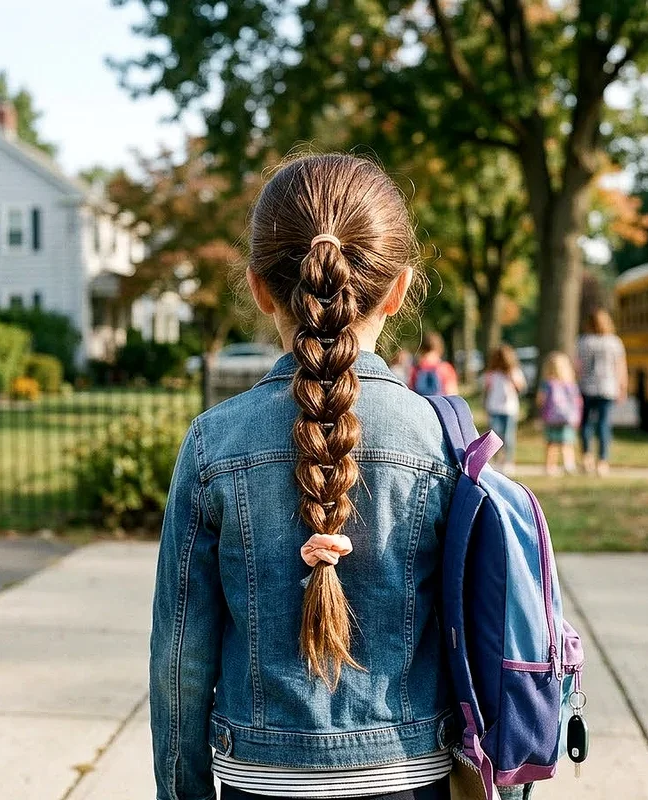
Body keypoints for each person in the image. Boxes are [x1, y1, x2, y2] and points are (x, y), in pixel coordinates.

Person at [150, 154, 533, 800]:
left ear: (259, 287)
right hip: (407, 776)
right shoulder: (443, 444)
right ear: (398, 289)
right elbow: (497, 640)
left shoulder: (213, 444)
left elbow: (179, 662)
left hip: (259, 780)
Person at [576, 309, 628, 477]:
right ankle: (603, 462)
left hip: (587, 387)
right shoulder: (614, 342)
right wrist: (623, 387)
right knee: (603, 424)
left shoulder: (583, 341)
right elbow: (620, 367)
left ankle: (586, 457)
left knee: (586, 424)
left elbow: (578, 366)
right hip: (607, 387)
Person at [537, 352, 582, 476]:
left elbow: (541, 399)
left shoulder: (547, 384)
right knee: (567, 443)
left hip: (551, 418)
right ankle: (569, 465)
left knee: (551, 444)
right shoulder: (570, 384)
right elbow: (577, 401)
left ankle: (549, 467)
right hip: (567, 419)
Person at [483, 345, 527, 474]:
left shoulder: (514, 372)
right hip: (494, 408)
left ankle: (508, 461)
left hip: (509, 409)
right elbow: (487, 389)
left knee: (508, 436)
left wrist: (512, 378)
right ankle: (497, 459)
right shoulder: (492, 373)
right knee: (495, 435)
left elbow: (521, 388)